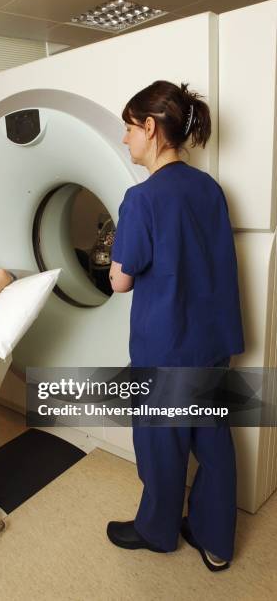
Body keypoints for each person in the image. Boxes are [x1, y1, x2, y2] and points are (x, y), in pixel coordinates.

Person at [107, 80, 245, 571]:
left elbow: (121, 281)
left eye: (128, 128)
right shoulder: (209, 188)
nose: (126, 140)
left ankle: (156, 529)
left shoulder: (141, 199)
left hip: (165, 347)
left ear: (150, 127)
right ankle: (214, 540)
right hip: (211, 340)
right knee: (212, 440)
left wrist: (112, 262)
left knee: (160, 442)